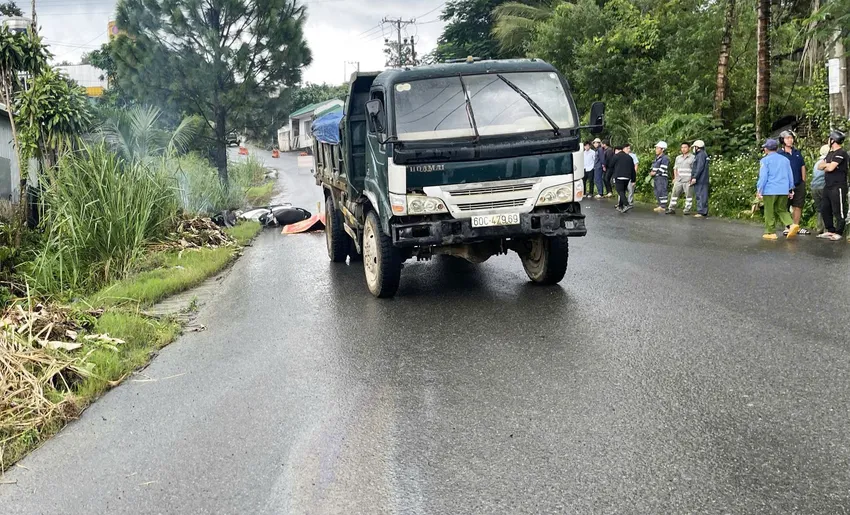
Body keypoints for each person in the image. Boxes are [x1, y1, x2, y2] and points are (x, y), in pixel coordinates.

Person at [757, 139, 799, 240]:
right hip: (783, 189)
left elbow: (763, 177)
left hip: (770, 189)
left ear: (766, 149)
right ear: (777, 148)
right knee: (781, 209)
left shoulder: (765, 161)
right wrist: (790, 189)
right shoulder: (785, 160)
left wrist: (759, 189)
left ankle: (770, 232)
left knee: (769, 210)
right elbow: (790, 175)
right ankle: (791, 224)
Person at [816, 130, 848, 241]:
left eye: (829, 138)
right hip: (828, 185)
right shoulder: (830, 153)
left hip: (838, 186)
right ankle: (830, 230)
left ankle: (839, 231)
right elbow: (819, 166)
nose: (828, 140)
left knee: (838, 210)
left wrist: (827, 165)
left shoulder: (841, 153)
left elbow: (830, 168)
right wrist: (827, 165)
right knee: (825, 208)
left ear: (833, 140)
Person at [777, 130, 810, 235]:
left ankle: (796, 226)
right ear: (782, 140)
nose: (790, 140)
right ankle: (787, 227)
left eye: (791, 138)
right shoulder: (779, 154)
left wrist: (803, 181)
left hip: (798, 183)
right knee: (785, 206)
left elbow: (802, 166)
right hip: (785, 185)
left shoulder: (797, 152)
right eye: (787, 138)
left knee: (798, 205)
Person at [666, 142, 695, 214]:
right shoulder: (678, 158)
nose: (683, 149)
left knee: (688, 196)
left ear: (689, 148)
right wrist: (675, 178)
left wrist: (692, 179)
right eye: (682, 147)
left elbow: (695, 170)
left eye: (685, 147)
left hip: (688, 180)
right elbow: (675, 168)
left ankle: (687, 210)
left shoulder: (693, 158)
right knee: (674, 194)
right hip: (679, 180)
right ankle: (671, 208)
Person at [610, 145, 636, 212]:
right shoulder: (629, 157)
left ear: (619, 150)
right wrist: (633, 179)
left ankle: (626, 205)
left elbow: (610, 165)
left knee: (620, 191)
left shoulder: (616, 156)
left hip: (619, 176)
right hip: (627, 177)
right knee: (623, 191)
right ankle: (620, 206)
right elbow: (632, 169)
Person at [811, 144, 830, 235]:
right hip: (823, 186)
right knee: (827, 207)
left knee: (819, 209)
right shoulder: (827, 161)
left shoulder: (817, 163)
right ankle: (827, 228)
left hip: (814, 187)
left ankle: (819, 228)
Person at [691, 139, 710, 217]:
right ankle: (702, 211)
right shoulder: (702, 154)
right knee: (701, 194)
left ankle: (701, 211)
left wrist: (695, 177)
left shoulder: (701, 155)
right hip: (702, 178)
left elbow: (699, 167)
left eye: (694, 147)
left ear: (697, 147)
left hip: (701, 179)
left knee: (701, 195)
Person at [650, 141, 670, 212]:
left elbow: (663, 168)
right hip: (656, 177)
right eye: (656, 148)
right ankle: (660, 205)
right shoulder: (657, 158)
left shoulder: (665, 158)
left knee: (662, 191)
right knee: (657, 191)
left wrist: (654, 172)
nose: (656, 150)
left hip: (661, 177)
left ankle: (663, 206)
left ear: (662, 149)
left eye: (658, 148)